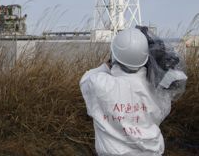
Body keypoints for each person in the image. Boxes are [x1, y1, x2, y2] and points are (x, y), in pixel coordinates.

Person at [80, 28, 187, 156]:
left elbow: (85, 79)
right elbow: (162, 113)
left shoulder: (98, 83)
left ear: (114, 54)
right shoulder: (158, 89)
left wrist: (108, 65)